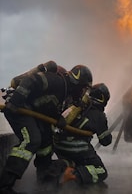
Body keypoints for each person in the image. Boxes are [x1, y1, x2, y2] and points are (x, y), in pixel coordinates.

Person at [0, 62, 93, 194]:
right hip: (18, 108)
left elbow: (46, 104)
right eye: (84, 88)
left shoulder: (64, 92)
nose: (84, 92)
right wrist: (16, 101)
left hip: (30, 111)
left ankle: (44, 181)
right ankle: (4, 185)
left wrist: (57, 117)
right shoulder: (58, 82)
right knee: (32, 140)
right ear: (77, 82)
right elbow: (30, 80)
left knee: (46, 143)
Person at [43, 83, 112, 190]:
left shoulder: (74, 106)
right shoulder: (98, 115)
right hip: (77, 148)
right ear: (103, 99)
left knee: (75, 161)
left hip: (59, 146)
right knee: (101, 171)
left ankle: (63, 165)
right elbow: (105, 141)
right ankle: (74, 175)